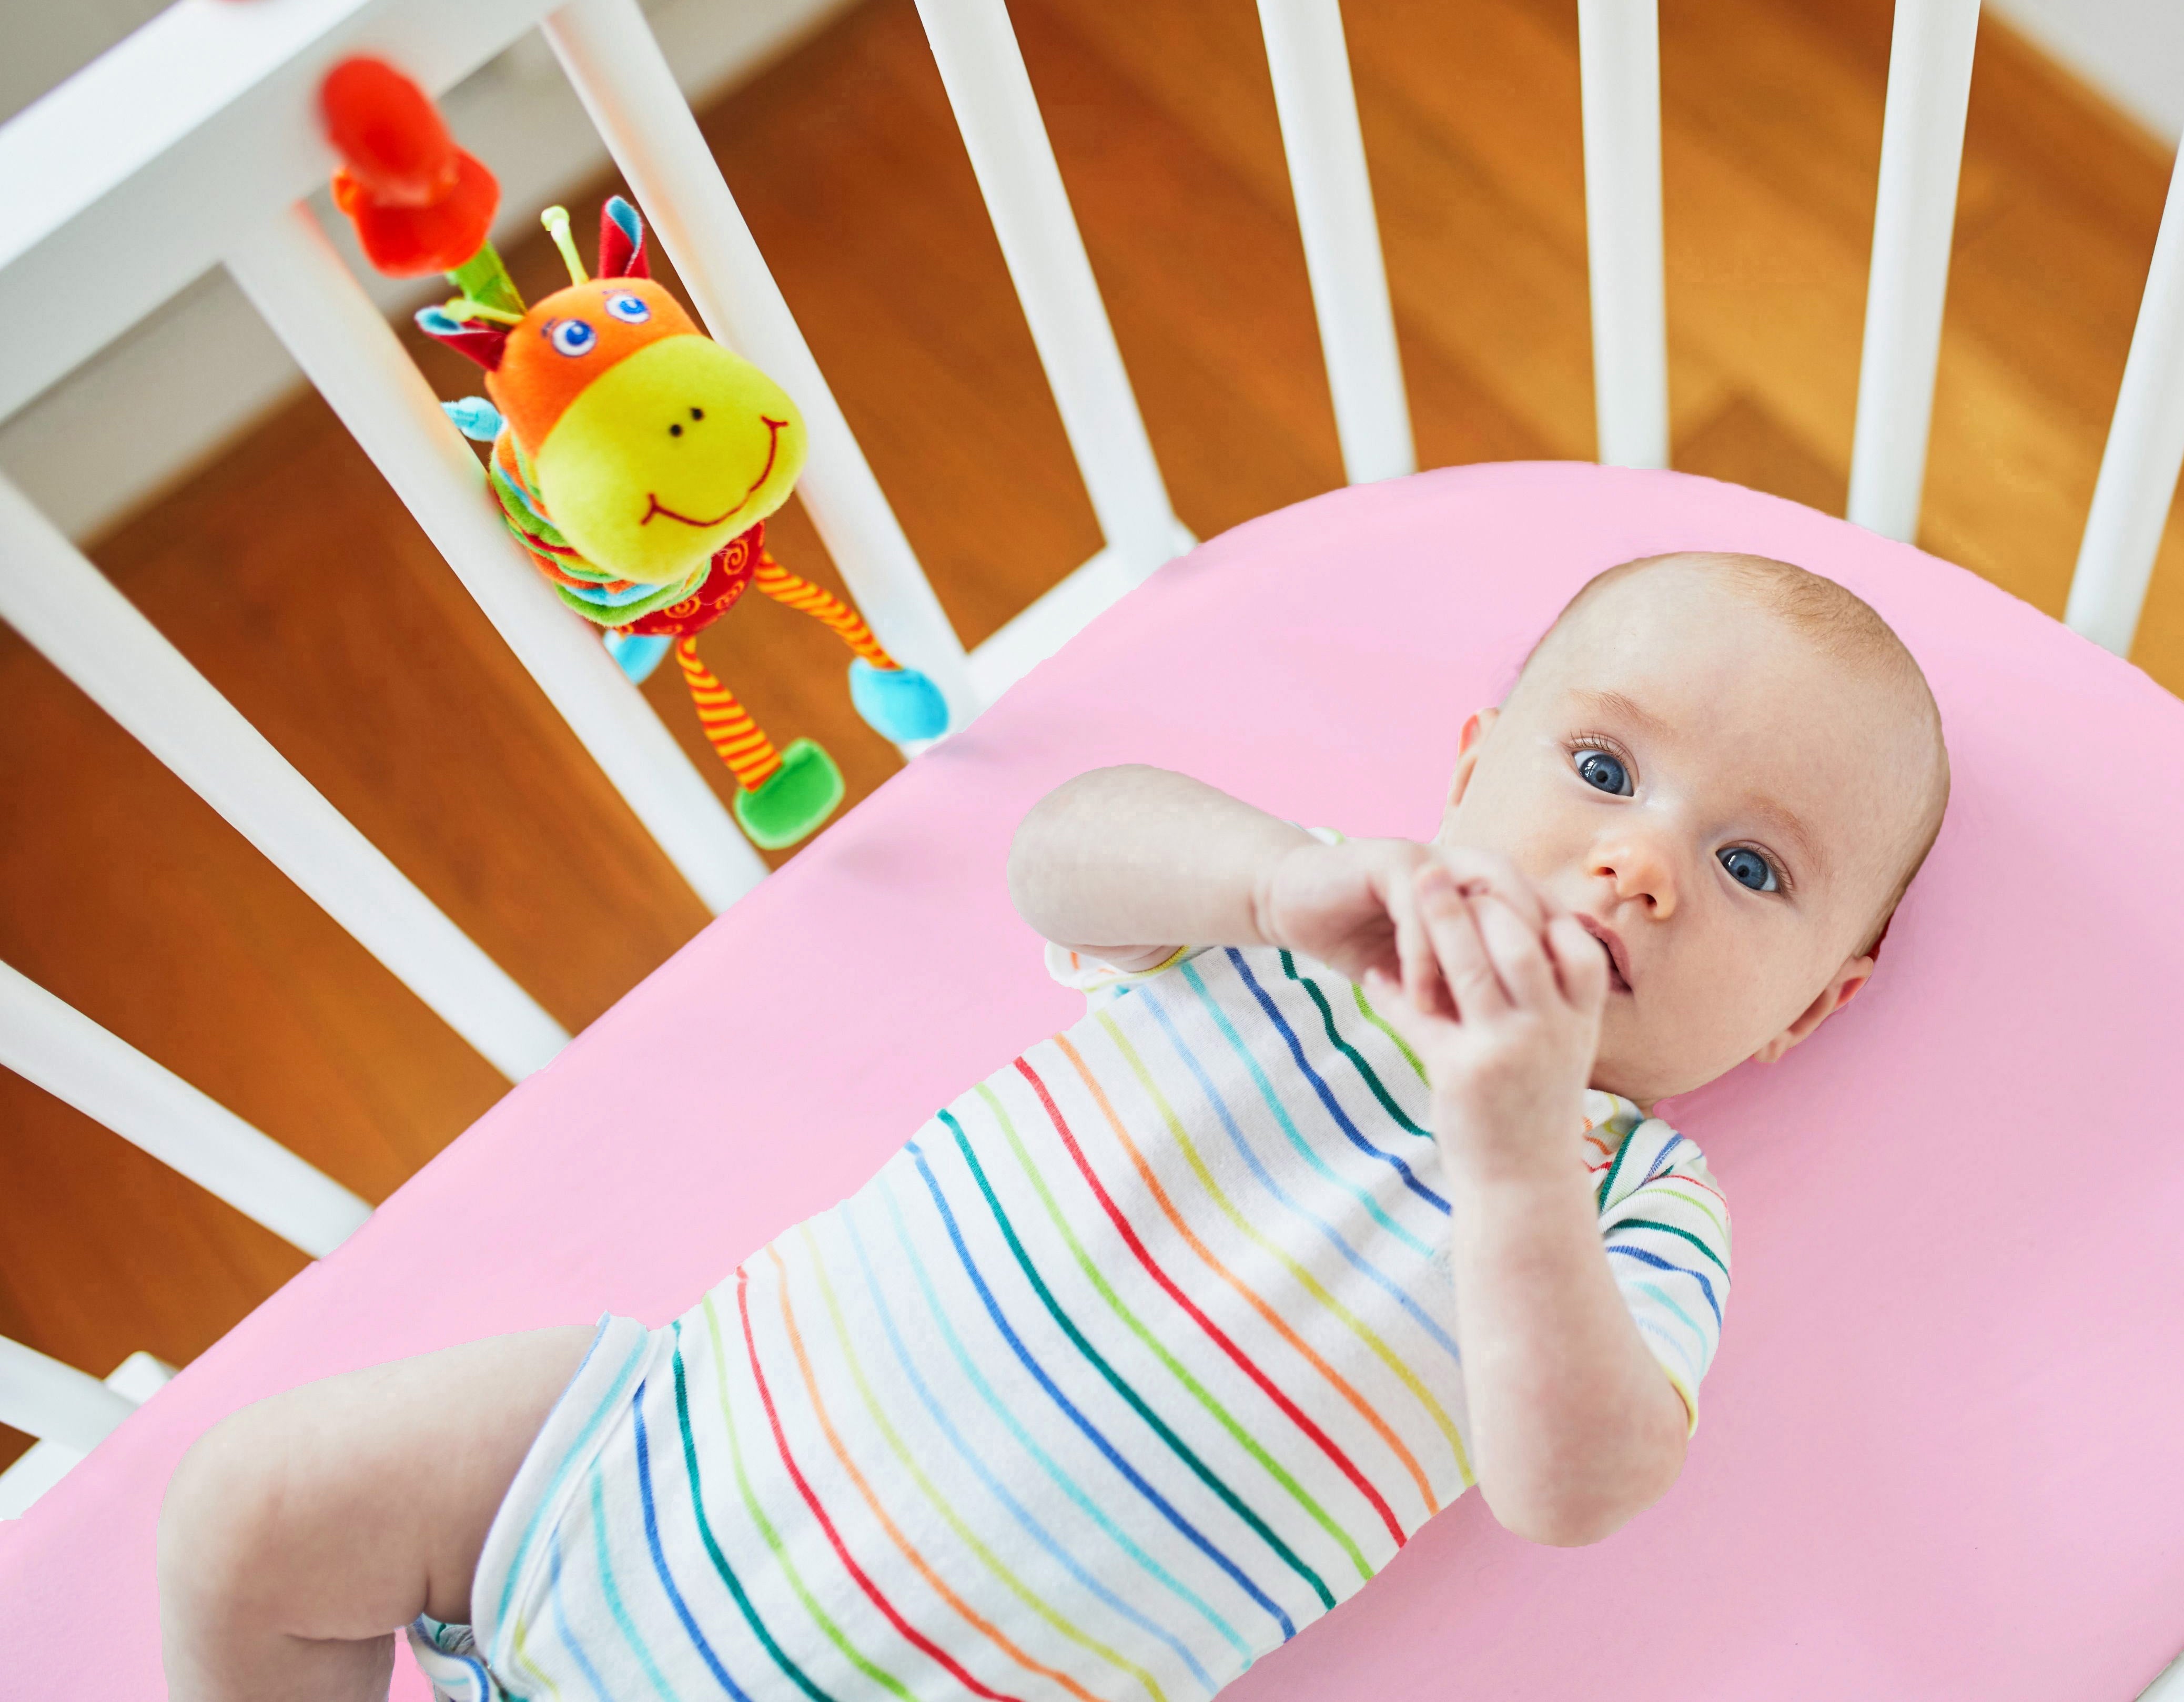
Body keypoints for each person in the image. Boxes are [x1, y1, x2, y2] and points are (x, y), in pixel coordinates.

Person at [159, 550, 1950, 1702]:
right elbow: (1060, 847)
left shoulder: (1635, 1199)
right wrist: (1278, 874)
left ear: (1812, 1005)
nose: (1637, 865)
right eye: (1602, 768)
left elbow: (1584, 1484)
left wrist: (1508, 1155)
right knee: (252, 1505)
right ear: (1469, 762)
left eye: (1750, 867)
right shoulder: (1304, 933)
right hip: (647, 1455)